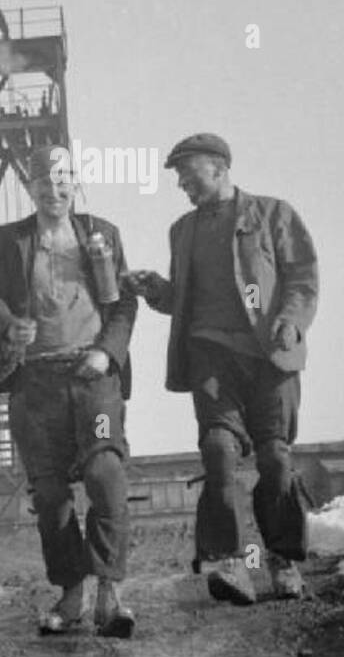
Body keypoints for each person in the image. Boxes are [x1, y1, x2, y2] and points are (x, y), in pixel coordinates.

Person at [125, 133, 318, 603]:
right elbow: (184, 301)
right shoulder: (183, 230)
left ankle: (283, 558)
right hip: (211, 355)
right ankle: (229, 562)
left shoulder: (274, 214)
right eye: (178, 177)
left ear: (219, 167)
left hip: (269, 355)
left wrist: (292, 323)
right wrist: (156, 289)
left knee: (274, 458)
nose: (182, 185)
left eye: (188, 174)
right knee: (217, 449)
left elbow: (302, 277)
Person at [0, 145, 138, 637]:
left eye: (65, 178)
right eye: (45, 182)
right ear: (31, 188)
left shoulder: (101, 234)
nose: (56, 189)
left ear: (76, 182)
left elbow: (123, 304)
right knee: (50, 493)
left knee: (104, 469)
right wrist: (8, 327)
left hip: (93, 374)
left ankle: (110, 591)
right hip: (35, 379)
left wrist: (107, 353)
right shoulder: (11, 240)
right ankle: (71, 594)